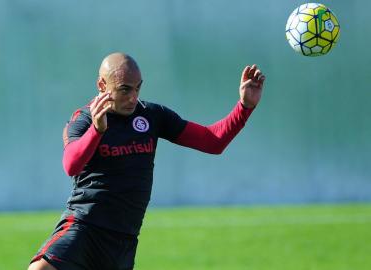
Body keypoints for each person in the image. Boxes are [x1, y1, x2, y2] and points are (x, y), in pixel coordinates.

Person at [28, 52, 265, 270]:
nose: (133, 97)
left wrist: (244, 107)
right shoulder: (85, 119)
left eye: (137, 88)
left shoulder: (151, 115)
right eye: (124, 90)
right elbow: (71, 165)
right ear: (102, 85)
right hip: (84, 228)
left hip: (123, 242)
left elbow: (212, 141)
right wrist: (97, 132)